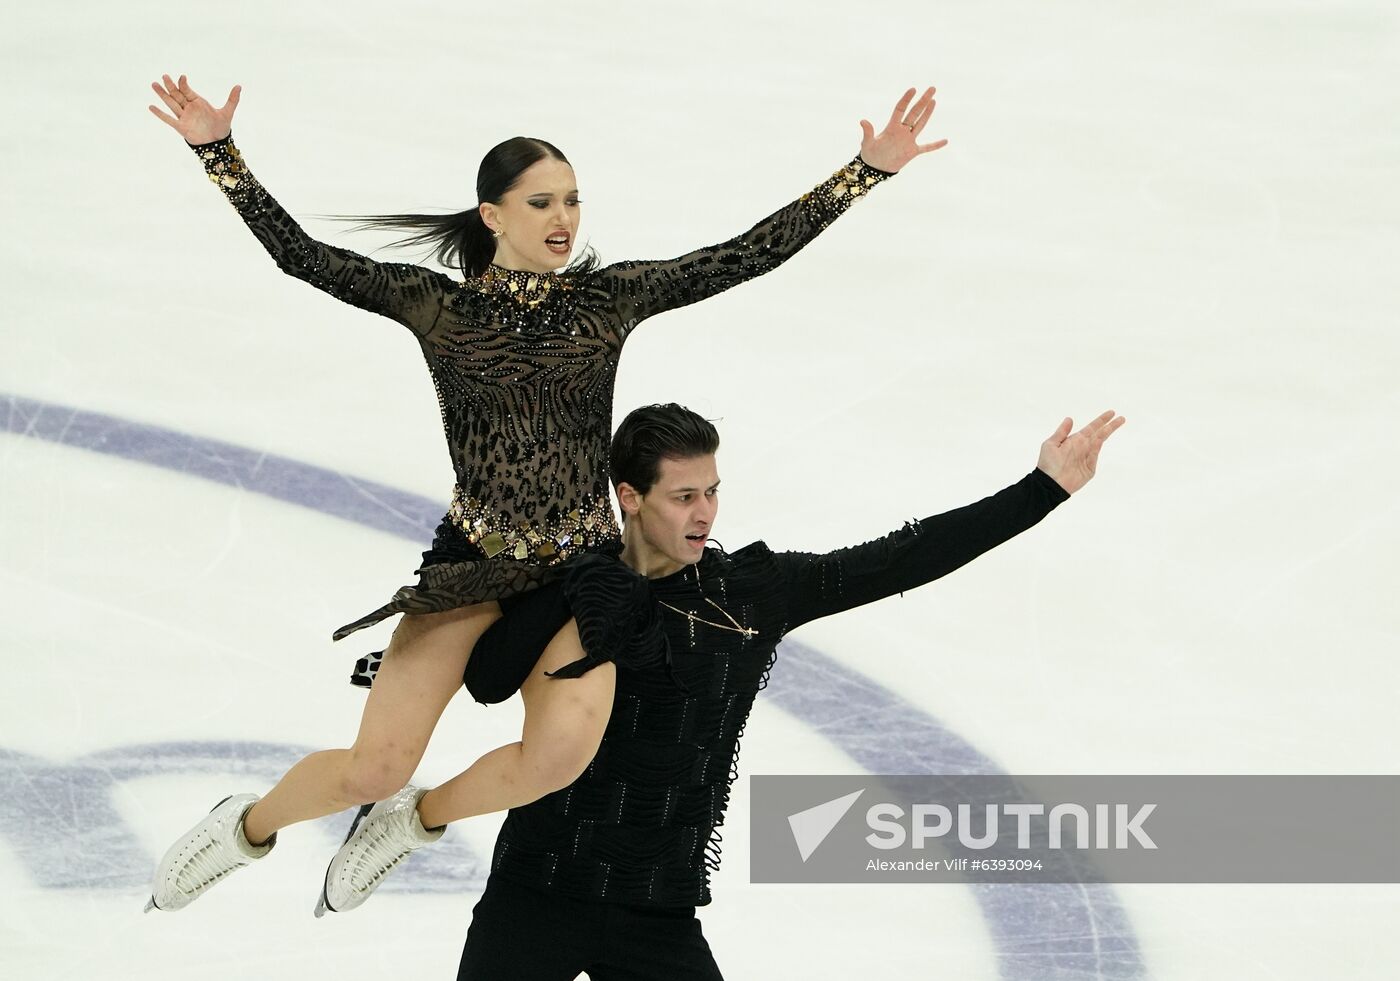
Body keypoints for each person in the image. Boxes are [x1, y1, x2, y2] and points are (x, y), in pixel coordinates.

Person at [141, 74, 948, 914]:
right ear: (491, 214)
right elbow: (306, 257)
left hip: (582, 575)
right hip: (472, 569)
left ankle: (412, 822)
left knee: (560, 753)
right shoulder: (438, 309)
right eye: (540, 203)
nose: (563, 219)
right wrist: (218, 152)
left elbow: (743, 255)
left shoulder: (609, 302)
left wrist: (865, 171)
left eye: (572, 200)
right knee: (373, 763)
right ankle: (245, 826)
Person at [320, 401, 1124, 979]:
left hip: (659, 908)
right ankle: (408, 820)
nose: (704, 512)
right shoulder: (574, 584)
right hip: (538, 889)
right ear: (630, 498)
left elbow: (898, 557)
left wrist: (1040, 490)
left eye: (711, 491)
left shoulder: (752, 593)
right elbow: (490, 679)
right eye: (682, 496)